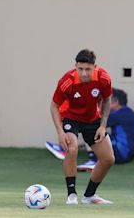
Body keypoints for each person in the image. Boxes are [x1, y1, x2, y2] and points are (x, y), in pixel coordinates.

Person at [50, 49, 115, 205]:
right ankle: (71, 195)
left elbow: (107, 100)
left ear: (95, 67)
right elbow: (54, 106)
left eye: (88, 69)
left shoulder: (103, 77)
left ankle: (89, 195)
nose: (84, 73)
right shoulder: (67, 81)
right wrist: (60, 132)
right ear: (75, 67)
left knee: (108, 159)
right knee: (72, 149)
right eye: (80, 69)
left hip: (92, 120)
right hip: (70, 118)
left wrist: (103, 126)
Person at [46, 88, 134, 171]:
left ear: (116, 102)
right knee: (93, 130)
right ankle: (64, 148)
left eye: (108, 100)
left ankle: (92, 161)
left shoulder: (120, 113)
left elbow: (94, 121)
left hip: (122, 153)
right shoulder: (126, 112)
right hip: (126, 153)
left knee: (91, 130)